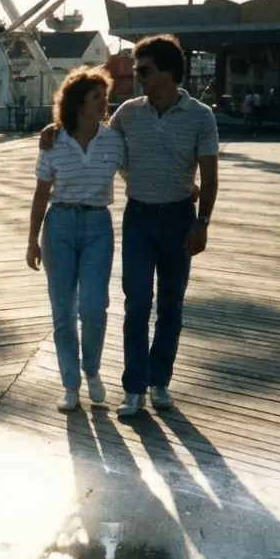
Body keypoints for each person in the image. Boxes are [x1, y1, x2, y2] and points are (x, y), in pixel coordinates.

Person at [40, 33, 219, 417]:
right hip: (137, 217)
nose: (136, 76)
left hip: (179, 219)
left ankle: (160, 383)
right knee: (137, 303)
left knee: (171, 305)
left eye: (144, 70)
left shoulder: (201, 116)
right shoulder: (128, 114)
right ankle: (134, 388)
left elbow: (210, 173)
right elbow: (98, 142)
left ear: (168, 72)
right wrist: (55, 128)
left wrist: (202, 219)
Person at [26, 66, 126, 411]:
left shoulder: (114, 140)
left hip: (98, 224)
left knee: (94, 307)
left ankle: (92, 370)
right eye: (97, 96)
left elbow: (137, 174)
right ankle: (70, 384)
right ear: (79, 102)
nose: (104, 102)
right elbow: (41, 195)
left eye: (105, 96)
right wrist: (32, 240)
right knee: (63, 311)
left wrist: (184, 185)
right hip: (59, 226)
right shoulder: (55, 140)